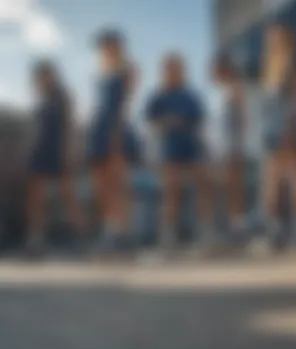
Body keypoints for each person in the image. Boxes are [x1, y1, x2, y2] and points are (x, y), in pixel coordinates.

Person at [146, 53, 214, 254]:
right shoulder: (158, 96)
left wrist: (206, 149)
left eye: (177, 68)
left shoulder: (190, 95)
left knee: (203, 186)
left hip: (192, 146)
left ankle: (205, 230)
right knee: (171, 190)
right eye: (170, 68)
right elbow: (150, 121)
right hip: (169, 147)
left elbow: (201, 123)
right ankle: (168, 235)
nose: (173, 72)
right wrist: (166, 122)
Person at [261, 21, 296, 250]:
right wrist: (290, 129)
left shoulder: (271, 69)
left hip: (276, 129)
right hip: (286, 128)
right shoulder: (289, 65)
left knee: (276, 180)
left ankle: (278, 231)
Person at [26, 61, 85, 254]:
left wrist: (69, 151)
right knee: (35, 196)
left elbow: (70, 125)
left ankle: (79, 237)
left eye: (46, 76)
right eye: (40, 77)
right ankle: (36, 238)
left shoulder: (62, 97)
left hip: (58, 150)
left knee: (67, 195)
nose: (43, 80)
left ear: (52, 76)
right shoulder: (41, 99)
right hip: (40, 150)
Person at [87, 30, 137, 252]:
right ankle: (109, 230)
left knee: (118, 182)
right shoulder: (99, 72)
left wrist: (116, 134)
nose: (106, 48)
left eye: (110, 44)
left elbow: (124, 103)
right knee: (101, 184)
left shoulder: (127, 70)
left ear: (118, 46)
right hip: (97, 127)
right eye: (103, 45)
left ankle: (122, 232)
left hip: (115, 127)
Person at [213, 55, 247, 243]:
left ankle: (238, 228)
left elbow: (242, 119)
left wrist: (238, 146)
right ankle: (230, 227)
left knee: (234, 188)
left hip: (232, 147)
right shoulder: (220, 92)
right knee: (226, 189)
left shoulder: (235, 88)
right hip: (221, 148)